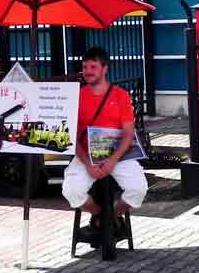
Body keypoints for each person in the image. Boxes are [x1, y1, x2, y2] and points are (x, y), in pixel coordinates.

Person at [62, 47, 148, 233]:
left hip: (118, 154)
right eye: (84, 67)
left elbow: (128, 134)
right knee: (71, 191)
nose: (87, 71)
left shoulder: (121, 95)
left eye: (93, 67)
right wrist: (87, 164)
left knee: (138, 188)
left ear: (104, 69)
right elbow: (73, 136)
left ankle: (113, 215)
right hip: (87, 156)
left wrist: (112, 160)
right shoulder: (77, 97)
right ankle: (100, 214)